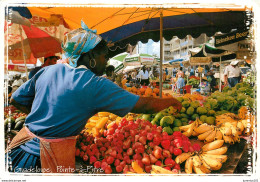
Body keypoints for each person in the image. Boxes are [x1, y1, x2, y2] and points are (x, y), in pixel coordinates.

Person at [7, 21, 182, 173]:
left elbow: (16, 99)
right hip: (45, 161)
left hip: (17, 147)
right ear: (90, 56)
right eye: (104, 56)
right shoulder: (94, 84)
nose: (106, 61)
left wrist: (45, 117)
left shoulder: (49, 70)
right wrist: (171, 101)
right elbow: (143, 106)